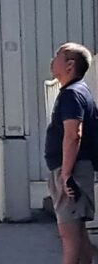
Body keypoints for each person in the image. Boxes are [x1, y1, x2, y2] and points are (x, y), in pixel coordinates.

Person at [46, 42, 97, 264]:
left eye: (57, 55)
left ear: (69, 65)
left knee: (69, 235)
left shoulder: (72, 94)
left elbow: (73, 134)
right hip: (76, 169)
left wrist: (66, 175)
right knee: (78, 233)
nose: (52, 60)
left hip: (72, 171)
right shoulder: (79, 91)